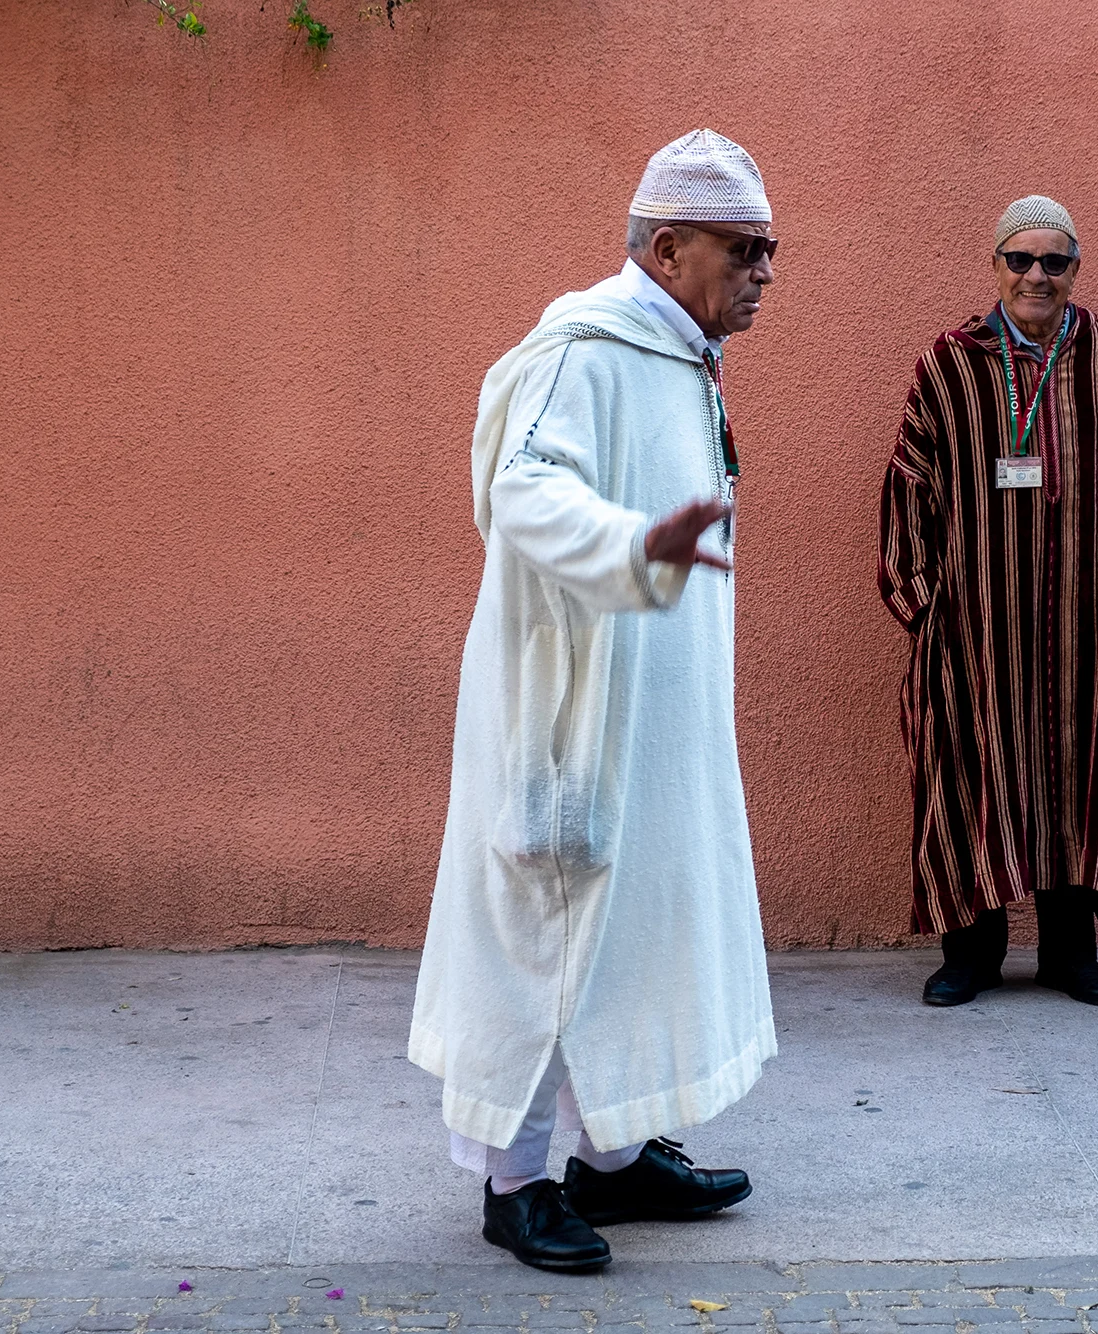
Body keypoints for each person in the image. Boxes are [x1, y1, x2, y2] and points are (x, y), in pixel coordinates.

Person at [409, 129, 780, 1272]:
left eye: (771, 251)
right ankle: (514, 1184)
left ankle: (612, 1157)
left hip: (654, 717)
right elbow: (521, 493)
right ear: (667, 248)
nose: (764, 273)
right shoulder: (584, 350)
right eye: (744, 250)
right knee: (551, 936)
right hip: (573, 721)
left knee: (638, 925)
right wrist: (631, 545)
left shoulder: (673, 354)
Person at [878, 194, 1098, 1010]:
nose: (1036, 275)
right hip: (976, 628)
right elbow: (909, 487)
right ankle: (972, 957)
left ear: (1074, 271)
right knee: (974, 778)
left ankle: (1070, 954)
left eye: (1054, 261)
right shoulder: (949, 363)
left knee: (1079, 780)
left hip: (1087, 627)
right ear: (994, 265)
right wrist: (926, 605)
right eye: (1020, 258)